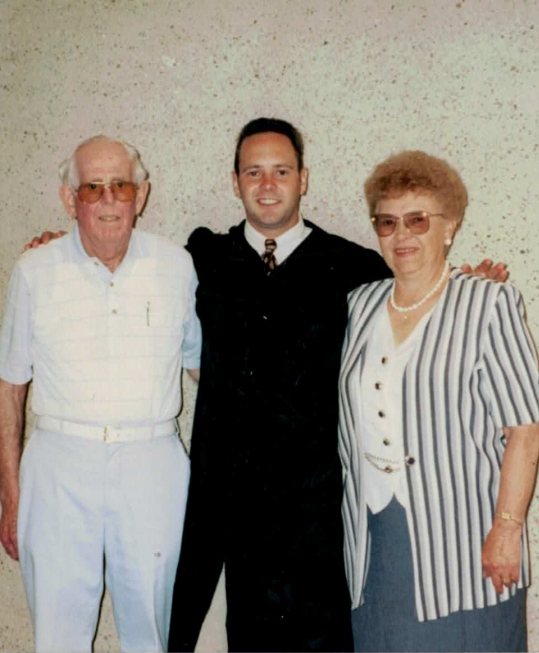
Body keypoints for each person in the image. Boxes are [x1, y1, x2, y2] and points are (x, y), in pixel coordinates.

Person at [167, 118, 509, 653]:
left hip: (321, 520)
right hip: (235, 519)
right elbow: (128, 267)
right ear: (234, 182)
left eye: (281, 170)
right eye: (253, 172)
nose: (267, 184)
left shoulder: (354, 269)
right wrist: (59, 246)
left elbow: (415, 301)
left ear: (304, 179)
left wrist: (464, 288)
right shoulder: (201, 261)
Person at [0, 135, 201, 652]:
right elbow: (10, 384)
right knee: (58, 635)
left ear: (143, 194)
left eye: (121, 186)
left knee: (152, 632)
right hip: (59, 466)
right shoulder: (33, 272)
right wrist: (10, 492)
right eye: (94, 188)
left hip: (151, 462)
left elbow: (205, 370)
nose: (110, 200)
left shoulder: (177, 267)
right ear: (70, 200)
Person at [338, 150, 539, 652]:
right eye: (387, 222)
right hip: (376, 541)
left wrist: (507, 529)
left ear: (449, 227)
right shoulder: (358, 304)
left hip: (467, 541)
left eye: (417, 220)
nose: (401, 235)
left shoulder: (489, 301)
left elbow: (525, 428)